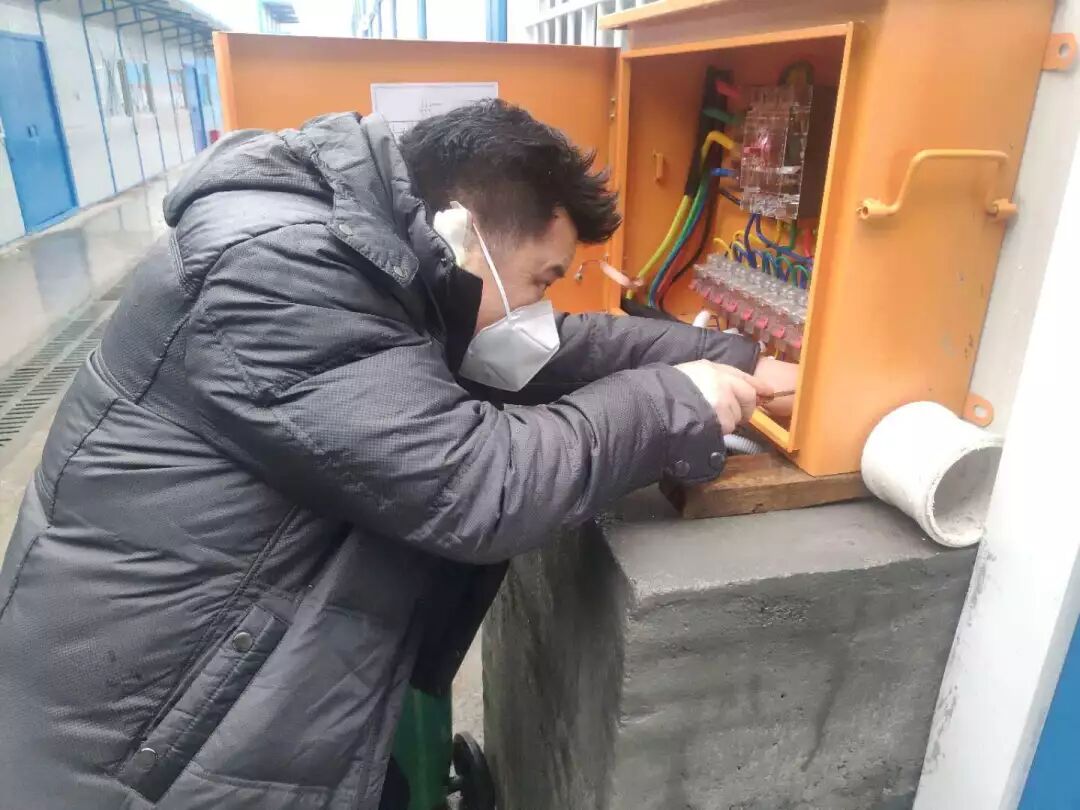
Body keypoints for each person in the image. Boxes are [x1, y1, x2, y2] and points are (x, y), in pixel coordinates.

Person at [0, 100, 796, 809]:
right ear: (463, 231)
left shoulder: (367, 256)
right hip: (144, 750)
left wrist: (741, 360)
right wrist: (674, 401)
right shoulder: (274, 271)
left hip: (220, 704)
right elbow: (479, 484)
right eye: (540, 279)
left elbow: (557, 349)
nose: (539, 307)